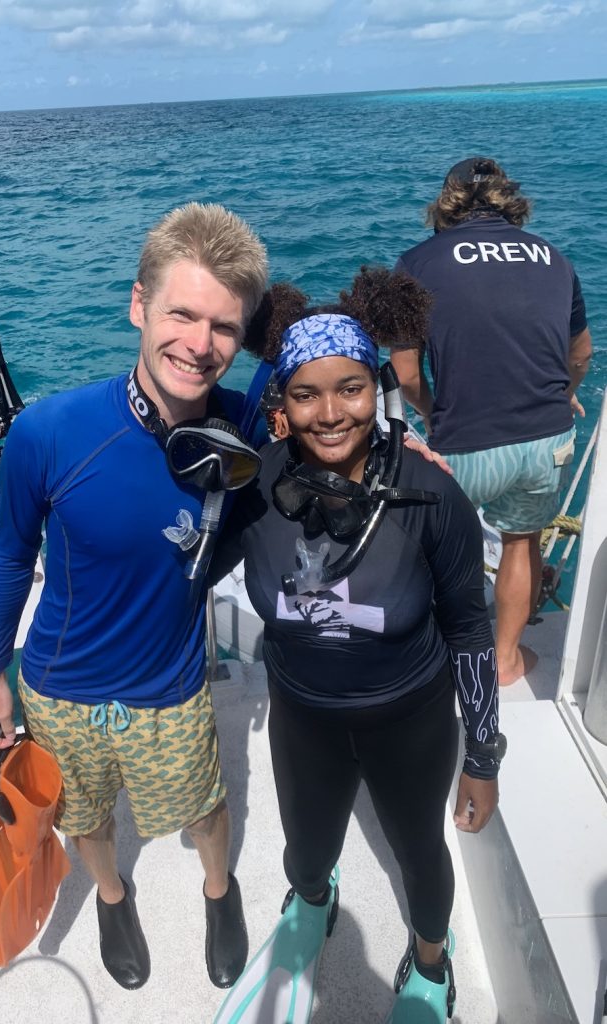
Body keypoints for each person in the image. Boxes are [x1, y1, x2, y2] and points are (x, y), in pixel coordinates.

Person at [0, 202, 270, 991]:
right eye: (181, 314)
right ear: (138, 305)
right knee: (88, 820)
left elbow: (326, 424)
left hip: (172, 689)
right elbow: (8, 555)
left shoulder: (245, 425)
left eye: (226, 328)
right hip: (61, 687)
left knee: (205, 813)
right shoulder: (50, 431)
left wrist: (406, 447)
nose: (200, 346)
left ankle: (220, 889)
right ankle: (110, 895)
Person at [210, 269, 504, 1024]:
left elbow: (470, 627)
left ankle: (431, 964)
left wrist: (482, 756)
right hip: (305, 717)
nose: (331, 413)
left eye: (350, 389)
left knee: (420, 856)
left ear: (378, 389)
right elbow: (174, 573)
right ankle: (313, 901)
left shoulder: (432, 495)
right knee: (305, 854)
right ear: (279, 404)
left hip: (410, 719)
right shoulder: (253, 487)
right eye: (306, 394)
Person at [391, 157, 593, 685]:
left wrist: (434, 413)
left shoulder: (417, 262)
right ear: (509, 200)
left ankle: (432, 666)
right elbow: (581, 357)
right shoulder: (556, 258)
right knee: (522, 542)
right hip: (546, 439)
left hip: (464, 442)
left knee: (430, 553)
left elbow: (406, 373)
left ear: (446, 202)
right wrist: (566, 396)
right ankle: (504, 663)